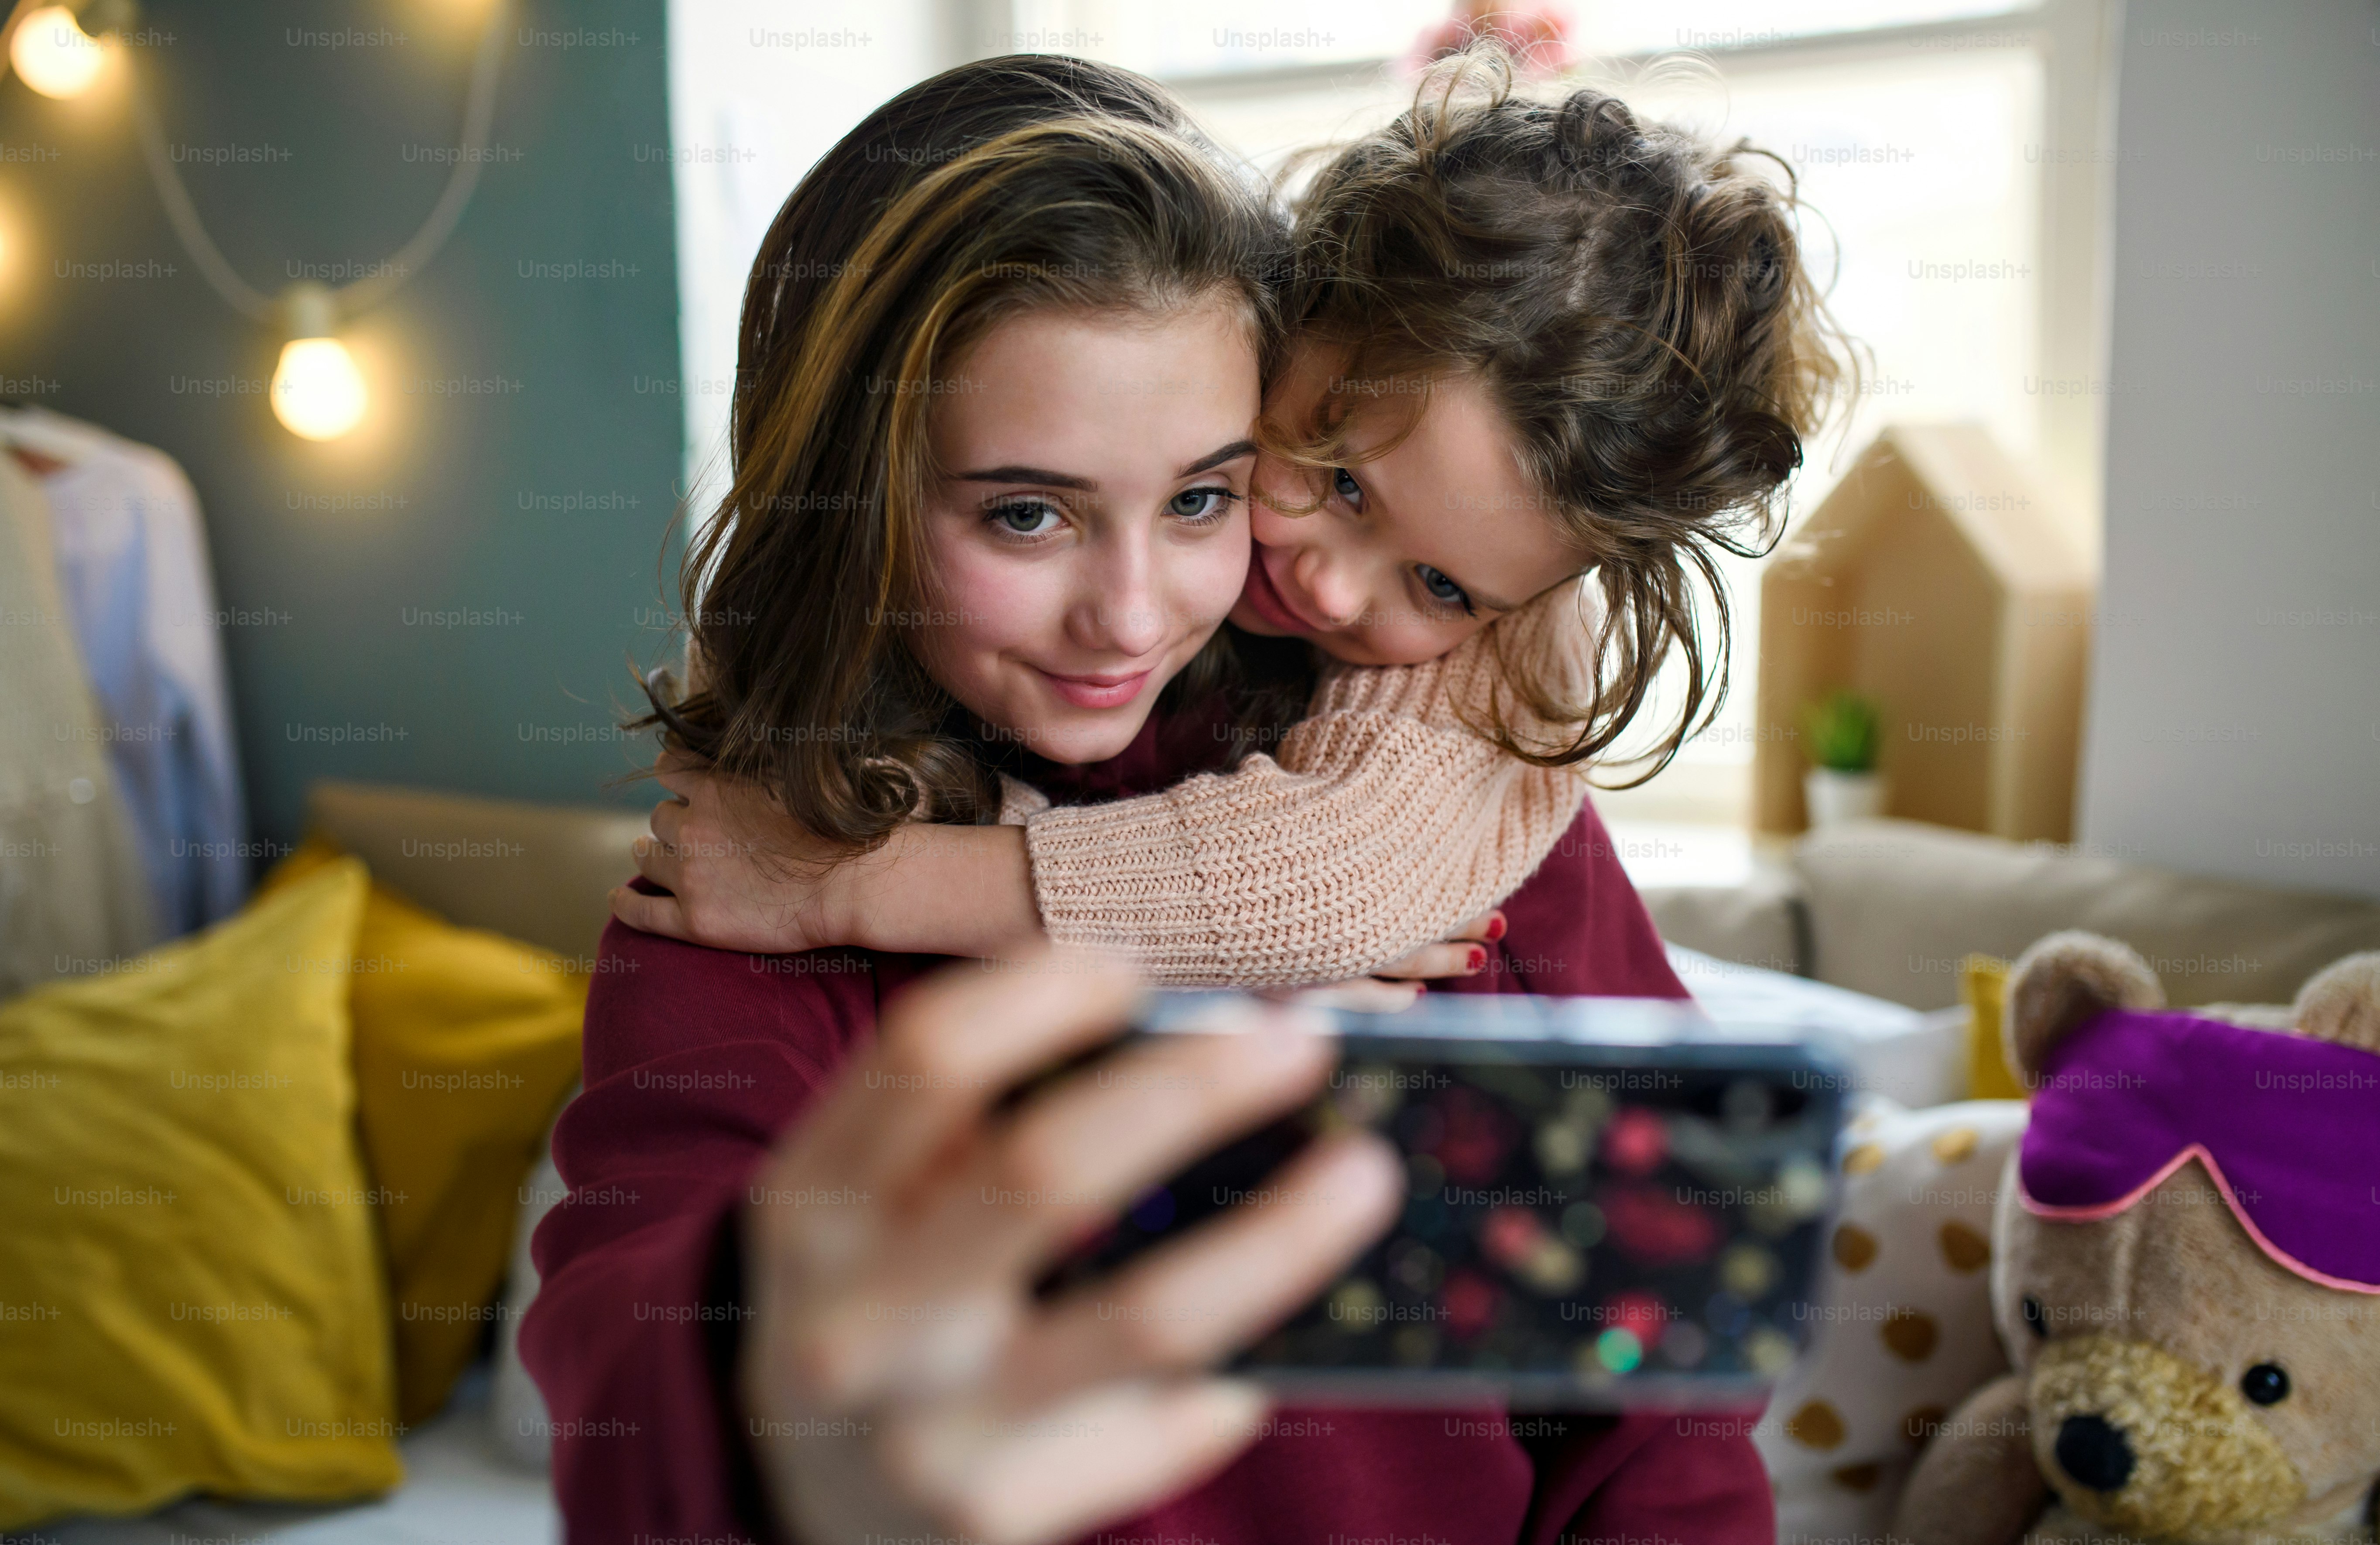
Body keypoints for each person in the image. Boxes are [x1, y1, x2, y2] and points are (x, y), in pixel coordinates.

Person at [526, 50, 1828, 1545]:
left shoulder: (1471, 801)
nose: (1132, 618)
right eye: (1027, 514)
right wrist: (772, 1431)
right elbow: (624, 1393)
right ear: (856, 498)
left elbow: (1664, 1383)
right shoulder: (751, 873)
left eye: (1205, 495)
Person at [613, 48, 1843, 993]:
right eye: (1342, 481)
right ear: (1298, 309)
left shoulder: (1507, 644)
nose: (1337, 591)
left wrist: (848, 885)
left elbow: (1331, 882)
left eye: (1443, 588)